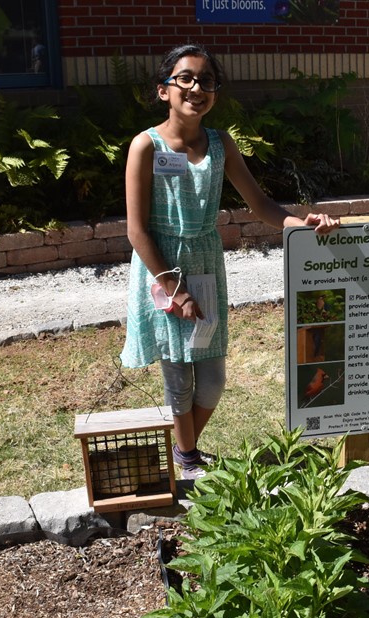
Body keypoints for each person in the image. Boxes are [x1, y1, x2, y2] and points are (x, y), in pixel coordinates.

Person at [120, 44, 340, 479]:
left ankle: (183, 449)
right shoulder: (145, 145)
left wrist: (303, 222)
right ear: (163, 90)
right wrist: (173, 289)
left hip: (205, 262)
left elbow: (260, 205)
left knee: (213, 378)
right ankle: (187, 458)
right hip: (163, 267)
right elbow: (137, 230)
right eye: (185, 78)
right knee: (179, 377)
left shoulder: (221, 144)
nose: (196, 88)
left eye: (206, 81)